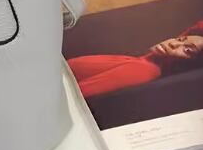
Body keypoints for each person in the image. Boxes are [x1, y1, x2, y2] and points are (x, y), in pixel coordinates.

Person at [68, 20, 203, 98]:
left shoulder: (144, 70)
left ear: (188, 65)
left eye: (187, 50)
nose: (174, 44)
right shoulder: (142, 61)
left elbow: (74, 98)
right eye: (181, 39)